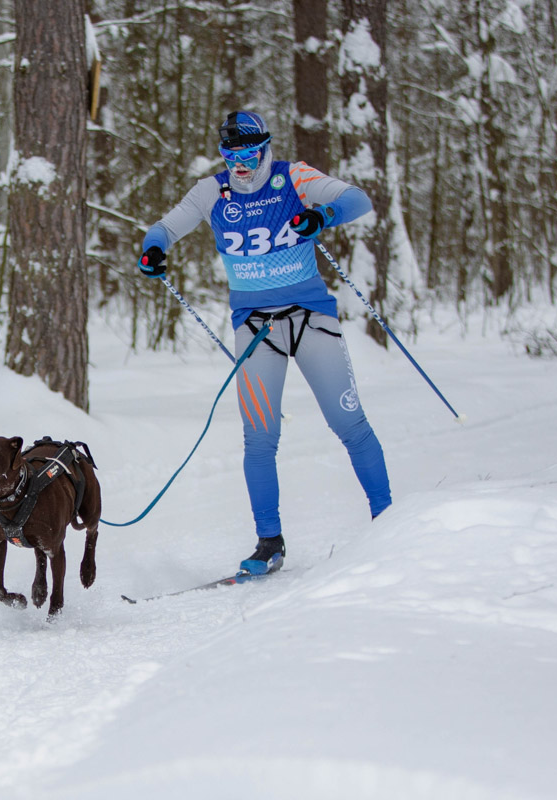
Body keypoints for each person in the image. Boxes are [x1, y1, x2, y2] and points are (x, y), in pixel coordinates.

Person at [137, 110, 391, 576]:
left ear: (265, 147)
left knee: (349, 423)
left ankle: (389, 520)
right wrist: (154, 250)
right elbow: (165, 228)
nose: (241, 165)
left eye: (249, 154)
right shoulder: (213, 191)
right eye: (230, 155)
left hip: (311, 318)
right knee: (259, 440)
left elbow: (359, 200)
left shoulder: (292, 176)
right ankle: (269, 543)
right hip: (256, 330)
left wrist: (322, 214)